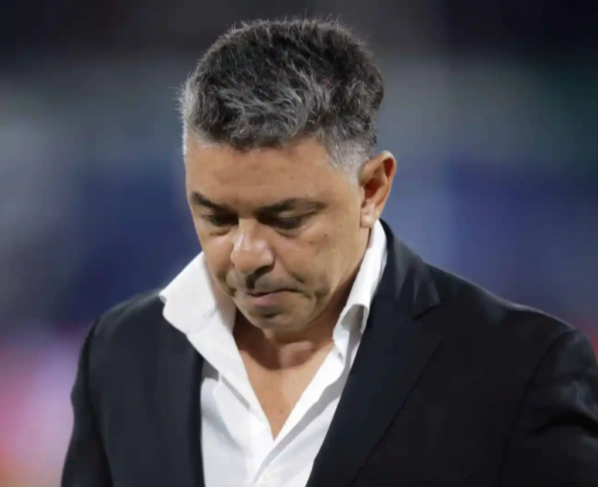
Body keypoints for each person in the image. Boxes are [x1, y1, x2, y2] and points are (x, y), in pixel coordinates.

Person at [61, 18, 598, 487]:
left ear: (372, 190)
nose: (246, 255)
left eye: (286, 219)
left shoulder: (521, 371)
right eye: (217, 218)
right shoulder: (120, 355)